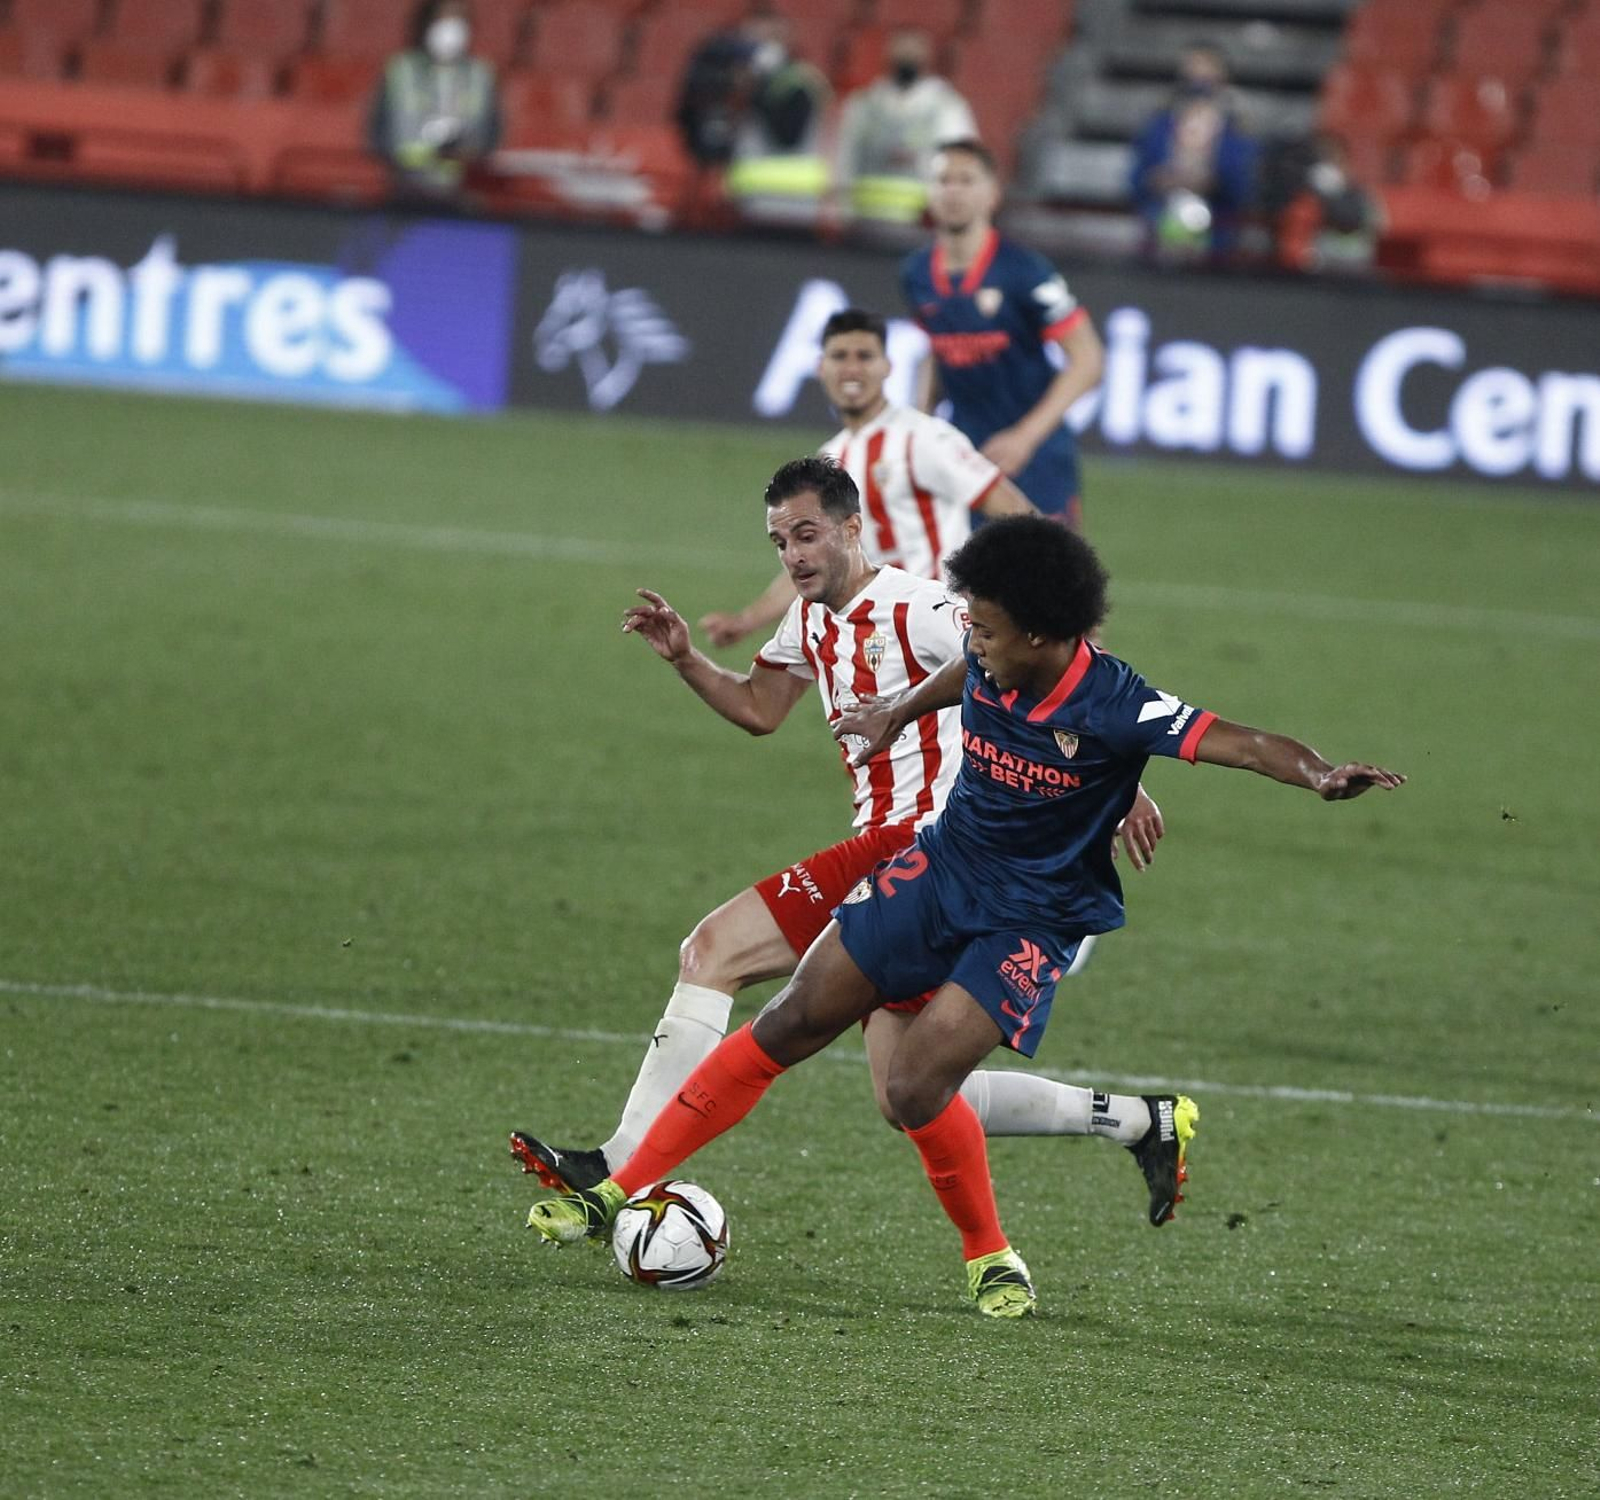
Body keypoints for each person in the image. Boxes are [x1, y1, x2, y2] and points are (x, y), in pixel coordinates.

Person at [527, 515, 1405, 1318]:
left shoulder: (1116, 702)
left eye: (985, 628)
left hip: (1031, 920)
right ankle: (615, 1191)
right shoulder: (989, 659)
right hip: (940, 871)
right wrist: (895, 711)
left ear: (1042, 635)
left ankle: (990, 1254)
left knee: (913, 1089)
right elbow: (960, 676)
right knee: (790, 1019)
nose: (972, 639)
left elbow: (1245, 742)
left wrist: (1320, 773)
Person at [510, 460, 1169, 1211]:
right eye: (779, 542)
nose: (792, 555)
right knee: (905, 1093)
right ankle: (1137, 1121)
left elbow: (1046, 662)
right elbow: (760, 708)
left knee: (714, 950)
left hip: (923, 841)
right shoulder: (807, 619)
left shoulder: (921, 608)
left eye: (806, 534)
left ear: (852, 529)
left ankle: (621, 1164)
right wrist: (688, 660)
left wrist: (1121, 787)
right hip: (912, 865)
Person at [699, 306, 1034, 651]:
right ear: (821, 367)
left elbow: (1019, 515)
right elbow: (815, 556)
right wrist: (746, 621)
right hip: (884, 643)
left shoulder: (923, 438)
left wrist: (1023, 601)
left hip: (943, 637)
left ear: (887, 366)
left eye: (864, 356)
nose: (852, 368)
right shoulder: (831, 457)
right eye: (839, 356)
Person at [901, 138, 1104, 530]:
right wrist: (918, 427)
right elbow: (937, 351)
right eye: (943, 180)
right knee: (965, 569)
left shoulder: (1025, 271)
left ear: (992, 194)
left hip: (1037, 457)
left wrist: (1025, 437)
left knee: (1047, 567)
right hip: (963, 454)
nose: (953, 191)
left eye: (966, 180)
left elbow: (1089, 359)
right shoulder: (916, 273)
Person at [831, 27, 978, 229]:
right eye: (901, 52)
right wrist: (842, 213)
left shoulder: (945, 107)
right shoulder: (865, 104)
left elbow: (960, 165)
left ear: (926, 57)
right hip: (864, 220)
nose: (907, 59)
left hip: (921, 224)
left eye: (913, 52)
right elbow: (844, 158)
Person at [1129, 43, 1258, 260]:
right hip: (1159, 217)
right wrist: (1157, 179)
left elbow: (1243, 185)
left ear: (1222, 74)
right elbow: (1137, 176)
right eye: (1193, 67)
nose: (1199, 76)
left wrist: (1214, 182)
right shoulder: (1158, 125)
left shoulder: (1237, 130)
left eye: (1206, 68)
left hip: (1218, 224)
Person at [367, 0, 501, 200]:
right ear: (427, 23)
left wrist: (464, 153)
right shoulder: (401, 70)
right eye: (444, 18)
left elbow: (492, 136)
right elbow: (377, 133)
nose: (451, 28)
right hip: (404, 189)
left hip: (463, 193)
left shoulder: (480, 75)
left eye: (459, 20)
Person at [722, 12, 832, 226]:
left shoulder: (797, 83)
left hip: (787, 204)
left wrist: (757, 90)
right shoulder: (756, 84)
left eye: (759, 40)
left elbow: (788, 136)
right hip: (753, 201)